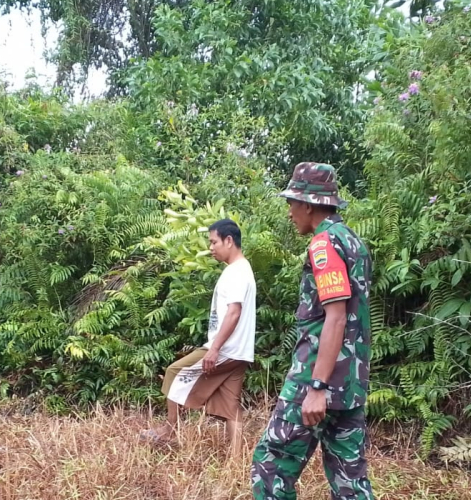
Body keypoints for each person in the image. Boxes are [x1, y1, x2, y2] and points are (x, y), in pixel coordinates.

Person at [251, 162, 375, 499]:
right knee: (350, 482)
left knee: (271, 466)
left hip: (315, 381)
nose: (290, 212)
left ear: (308, 205)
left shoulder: (324, 246)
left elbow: (335, 318)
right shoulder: (353, 242)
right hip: (350, 383)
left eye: (291, 203)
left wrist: (317, 386)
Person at [141, 218, 256, 457]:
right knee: (230, 405)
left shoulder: (236, 272)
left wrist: (214, 349)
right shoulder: (242, 269)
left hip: (225, 349)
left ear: (229, 240)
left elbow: (234, 313)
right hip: (240, 352)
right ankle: (235, 461)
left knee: (173, 372)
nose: (211, 247)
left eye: (214, 242)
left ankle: (170, 431)